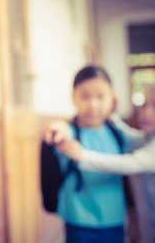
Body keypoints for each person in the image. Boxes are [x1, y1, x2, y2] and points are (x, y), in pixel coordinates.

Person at [51, 81, 155, 243]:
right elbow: (128, 135)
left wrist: (83, 155)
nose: (146, 113)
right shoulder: (150, 137)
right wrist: (110, 112)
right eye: (144, 105)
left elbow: (130, 163)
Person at [42, 65, 127, 243]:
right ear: (73, 98)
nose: (93, 104)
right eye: (85, 96)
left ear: (112, 98)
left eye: (100, 96)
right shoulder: (70, 133)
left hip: (115, 220)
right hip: (79, 221)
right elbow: (60, 130)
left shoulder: (119, 133)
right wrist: (57, 128)